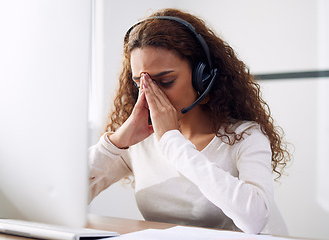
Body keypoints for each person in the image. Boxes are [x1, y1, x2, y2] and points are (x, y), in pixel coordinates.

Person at [88, 8, 291, 235]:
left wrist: (171, 141)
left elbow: (254, 220)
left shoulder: (245, 136)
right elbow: (68, 195)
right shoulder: (139, 143)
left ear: (202, 78)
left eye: (165, 81)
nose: (149, 94)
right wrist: (115, 143)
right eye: (140, 83)